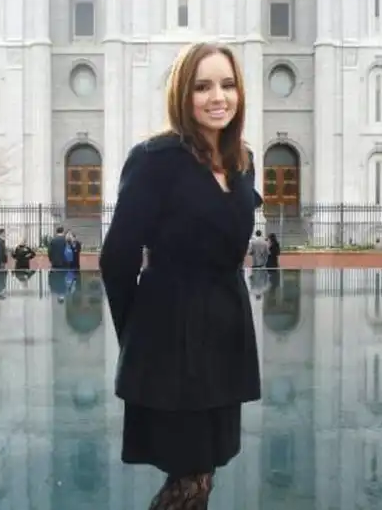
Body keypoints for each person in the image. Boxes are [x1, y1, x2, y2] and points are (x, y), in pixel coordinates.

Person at [99, 42, 262, 509]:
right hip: (171, 342)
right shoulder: (155, 159)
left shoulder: (242, 161)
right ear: (182, 95)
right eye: (203, 87)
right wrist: (137, 336)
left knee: (203, 473)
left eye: (227, 85)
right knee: (188, 479)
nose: (218, 97)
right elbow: (117, 258)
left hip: (226, 338)